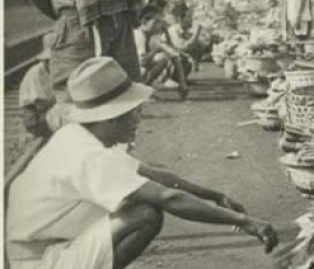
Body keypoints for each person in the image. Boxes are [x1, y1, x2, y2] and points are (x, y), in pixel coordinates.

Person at [5, 57, 278, 269]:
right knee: (145, 213)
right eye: (132, 112)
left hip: (42, 248)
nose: (137, 119)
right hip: (37, 261)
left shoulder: (79, 136)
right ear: (109, 117)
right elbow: (169, 198)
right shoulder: (89, 155)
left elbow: (156, 176)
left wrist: (216, 195)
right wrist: (246, 221)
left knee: (138, 204)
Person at [19, 34, 68, 139]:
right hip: (35, 117)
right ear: (46, 61)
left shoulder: (56, 70)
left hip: (49, 111)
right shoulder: (36, 74)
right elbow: (41, 106)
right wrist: (63, 95)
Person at [134, 6, 189, 98]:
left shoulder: (153, 36)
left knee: (164, 57)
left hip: (140, 70)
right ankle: (141, 93)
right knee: (148, 66)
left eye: (160, 22)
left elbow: (175, 56)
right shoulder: (138, 34)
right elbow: (142, 61)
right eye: (155, 22)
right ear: (144, 22)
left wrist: (183, 83)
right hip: (131, 72)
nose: (159, 26)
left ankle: (145, 89)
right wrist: (156, 49)